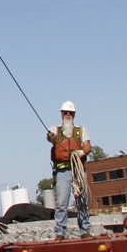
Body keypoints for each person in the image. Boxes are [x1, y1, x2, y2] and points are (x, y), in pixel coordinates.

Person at [47, 101, 92, 239]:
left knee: (82, 201)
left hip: (78, 170)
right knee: (61, 202)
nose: (68, 115)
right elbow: (50, 137)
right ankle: (60, 232)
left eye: (70, 113)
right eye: (65, 113)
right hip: (62, 172)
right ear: (61, 114)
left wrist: (81, 153)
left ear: (74, 115)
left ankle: (85, 230)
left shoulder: (81, 130)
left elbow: (87, 146)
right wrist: (51, 137)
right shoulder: (56, 129)